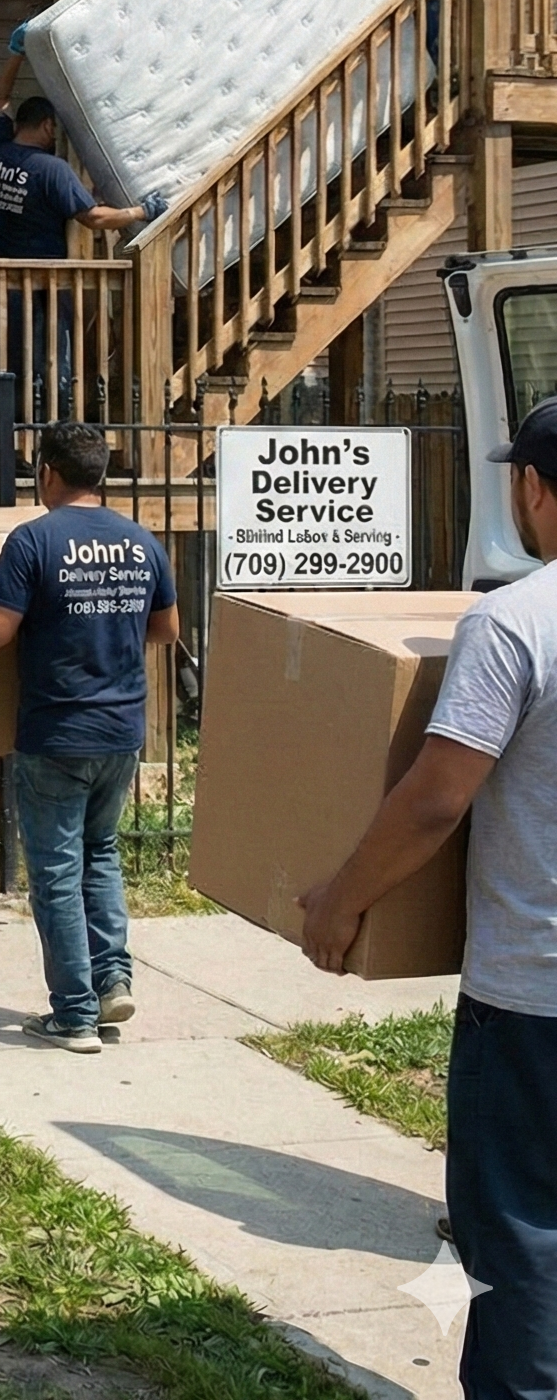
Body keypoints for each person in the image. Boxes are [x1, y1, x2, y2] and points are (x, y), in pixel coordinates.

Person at [300, 397, 557, 1393]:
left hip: (533, 997)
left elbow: (436, 797)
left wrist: (340, 901)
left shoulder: (514, 621)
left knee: (520, 1236)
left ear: (533, 489)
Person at [0, 420, 179, 1053]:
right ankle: (112, 979)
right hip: (121, 730)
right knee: (100, 853)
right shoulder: (142, 542)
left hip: (57, 731)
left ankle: (75, 1015)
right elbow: (166, 630)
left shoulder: (34, 540)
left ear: (49, 474)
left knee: (58, 871)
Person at [0, 43, 164, 414]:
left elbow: (0, 98)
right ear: (48, 126)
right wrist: (140, 211)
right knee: (51, 363)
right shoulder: (52, 170)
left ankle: (3, 429)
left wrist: (16, 53)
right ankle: (52, 426)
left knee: (6, 361)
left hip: (1, 279)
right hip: (45, 284)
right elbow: (94, 219)